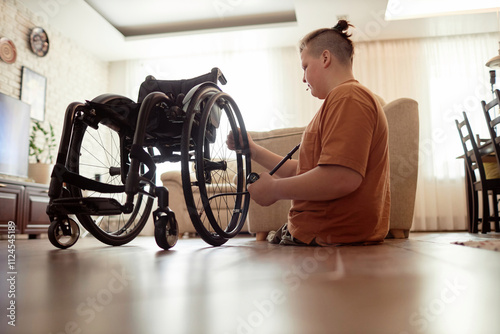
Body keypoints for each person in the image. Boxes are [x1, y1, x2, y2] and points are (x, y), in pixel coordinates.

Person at [227, 20, 391, 246]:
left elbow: (341, 177)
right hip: (319, 232)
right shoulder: (341, 99)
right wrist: (254, 150)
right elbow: (308, 170)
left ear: (325, 58)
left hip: (329, 233)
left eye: (305, 67)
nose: (303, 78)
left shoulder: (348, 97)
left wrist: (275, 189)